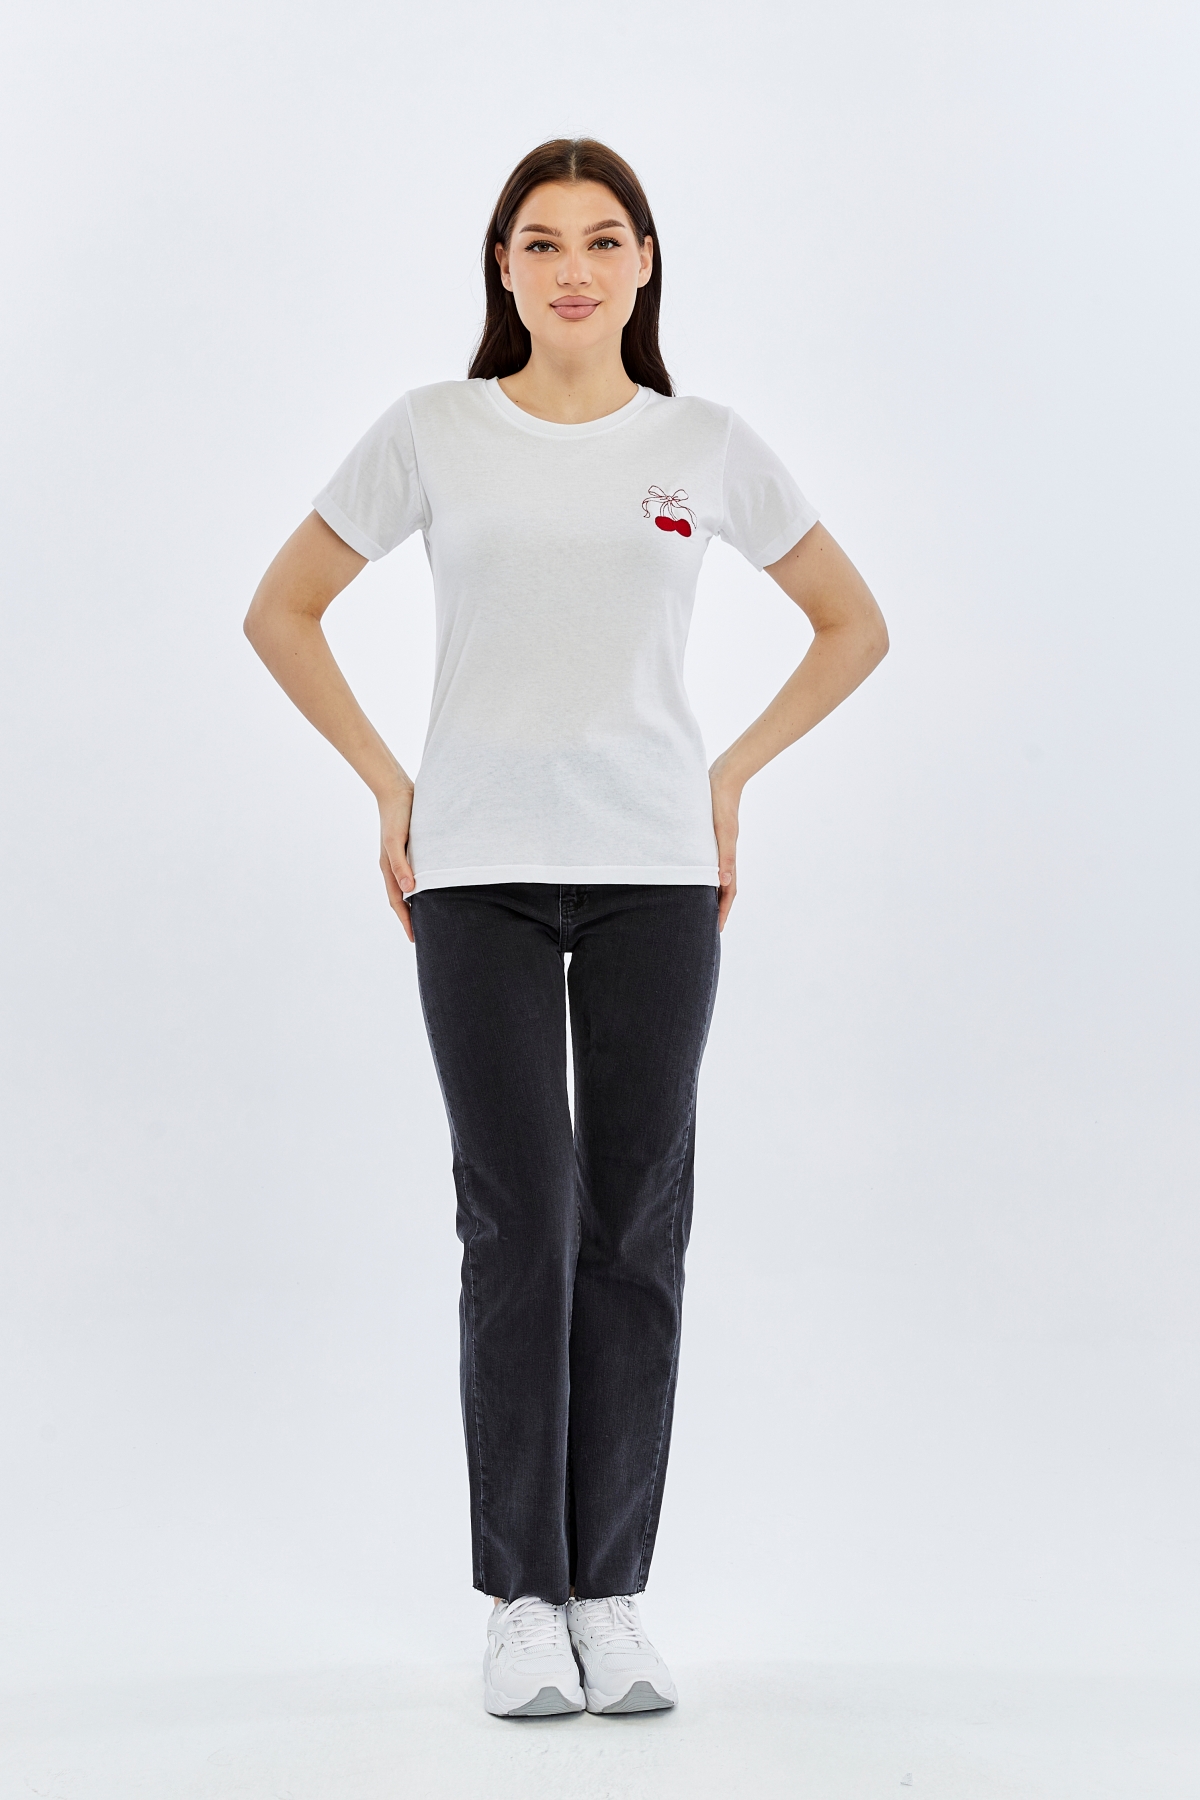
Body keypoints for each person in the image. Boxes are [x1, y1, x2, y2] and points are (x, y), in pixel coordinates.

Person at [244, 137, 888, 1719]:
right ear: (505, 268)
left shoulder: (704, 445)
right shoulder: (434, 430)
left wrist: (729, 775)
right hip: (473, 869)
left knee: (635, 1225)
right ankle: (522, 1601)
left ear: (645, 262)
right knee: (519, 1218)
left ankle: (613, 1593)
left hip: (658, 867)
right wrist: (387, 783)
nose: (574, 268)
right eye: (542, 242)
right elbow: (281, 608)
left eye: (605, 240)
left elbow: (853, 624)